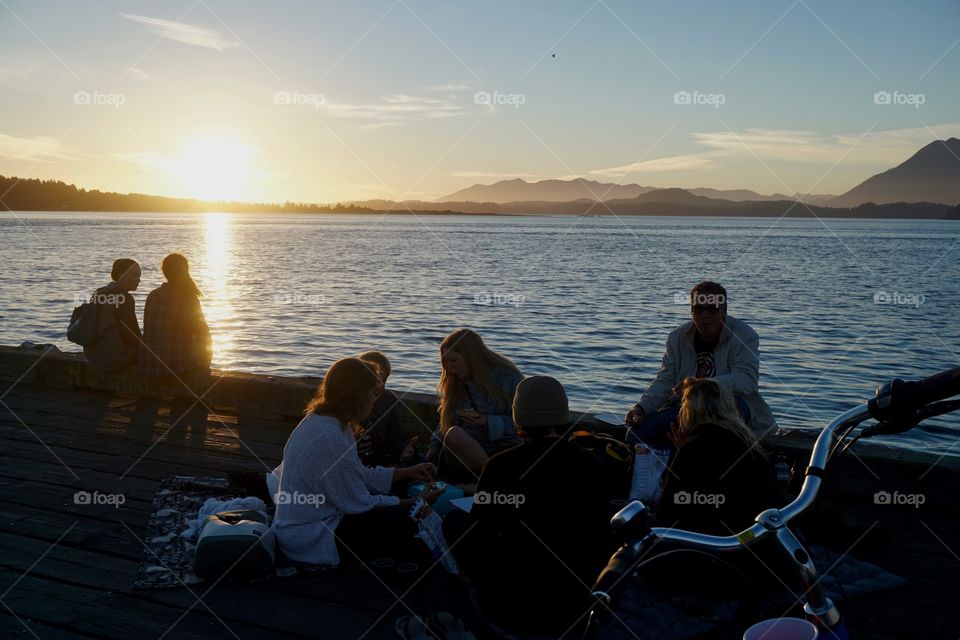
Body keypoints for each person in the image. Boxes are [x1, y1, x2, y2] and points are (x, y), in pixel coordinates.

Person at [443, 376, 614, 636]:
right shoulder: (593, 465)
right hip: (576, 596)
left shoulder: (500, 466)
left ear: (517, 418)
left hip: (515, 599)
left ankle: (475, 594)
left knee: (455, 522)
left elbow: (479, 533)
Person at [271, 357, 442, 566]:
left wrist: (407, 472)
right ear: (357, 396)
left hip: (312, 523)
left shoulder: (326, 421)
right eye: (373, 394)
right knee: (410, 519)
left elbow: (357, 474)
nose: (374, 401)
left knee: (401, 500)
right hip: (311, 536)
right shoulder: (330, 436)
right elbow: (359, 503)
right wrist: (417, 503)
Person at [651, 377, 789, 594]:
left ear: (688, 411)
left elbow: (667, 514)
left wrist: (679, 455)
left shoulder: (694, 449)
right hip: (766, 553)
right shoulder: (749, 443)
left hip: (724, 561)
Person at [625, 281, 776, 450]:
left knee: (736, 410)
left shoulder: (745, 335)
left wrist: (700, 385)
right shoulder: (676, 338)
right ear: (691, 311)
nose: (705, 315)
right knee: (635, 435)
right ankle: (677, 462)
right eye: (699, 309)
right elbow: (665, 380)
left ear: (724, 312)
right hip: (687, 408)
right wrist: (641, 407)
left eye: (712, 309)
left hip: (727, 408)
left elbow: (746, 380)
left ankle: (692, 456)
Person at [426, 329, 523, 482]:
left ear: (471, 356)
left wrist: (488, 422)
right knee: (454, 434)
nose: (450, 368)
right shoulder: (456, 383)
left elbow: (524, 426)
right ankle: (492, 482)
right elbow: (447, 420)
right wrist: (435, 444)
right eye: (446, 362)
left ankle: (494, 482)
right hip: (466, 455)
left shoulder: (508, 378)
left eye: (453, 360)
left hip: (504, 451)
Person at [139, 253, 212, 396]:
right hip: (174, 364)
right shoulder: (187, 297)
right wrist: (206, 360)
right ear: (186, 271)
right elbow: (203, 334)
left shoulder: (153, 295)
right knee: (202, 347)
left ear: (165, 272)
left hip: (149, 363)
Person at [354, 350, 422, 467]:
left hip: (384, 456)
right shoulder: (353, 402)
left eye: (384, 379)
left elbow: (395, 437)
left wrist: (406, 448)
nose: (380, 385)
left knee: (421, 461)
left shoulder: (388, 399)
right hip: (362, 461)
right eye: (376, 379)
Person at [84, 258, 142, 371]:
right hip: (113, 359)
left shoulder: (100, 292)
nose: (139, 280)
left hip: (93, 356)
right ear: (121, 275)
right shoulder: (125, 299)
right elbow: (132, 333)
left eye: (139, 276)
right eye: (135, 275)